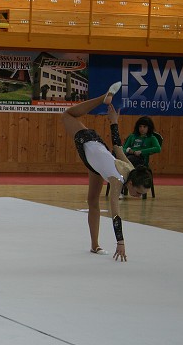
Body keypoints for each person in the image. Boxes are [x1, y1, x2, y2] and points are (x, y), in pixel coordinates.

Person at [61, 81, 153, 262]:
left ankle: (95, 245)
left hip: (95, 160)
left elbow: (118, 146)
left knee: (92, 201)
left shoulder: (131, 170)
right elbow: (116, 215)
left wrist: (114, 122)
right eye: (138, 192)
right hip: (87, 142)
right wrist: (120, 242)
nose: (137, 196)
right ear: (131, 184)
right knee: (67, 114)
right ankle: (102, 98)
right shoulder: (117, 180)